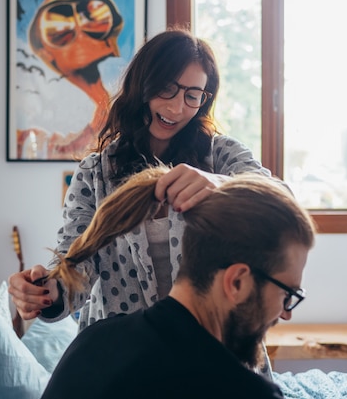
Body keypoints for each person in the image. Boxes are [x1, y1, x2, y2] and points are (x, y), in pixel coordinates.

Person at [8, 27, 275, 361]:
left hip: (212, 348)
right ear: (142, 84)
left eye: (193, 95)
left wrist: (221, 185)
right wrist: (45, 292)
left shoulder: (220, 157)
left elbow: (280, 203)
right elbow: (76, 263)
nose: (178, 108)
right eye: (168, 89)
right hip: (123, 355)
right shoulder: (94, 174)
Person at [40, 168, 315, 398]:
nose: (286, 313)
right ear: (237, 282)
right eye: (286, 294)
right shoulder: (245, 392)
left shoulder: (92, 341)